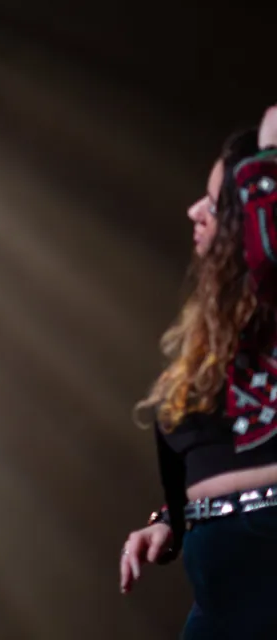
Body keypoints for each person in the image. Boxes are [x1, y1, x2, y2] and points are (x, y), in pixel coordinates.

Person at [119, 105, 277, 638]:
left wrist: (267, 151)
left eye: (213, 202)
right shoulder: (216, 333)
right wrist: (171, 518)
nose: (193, 211)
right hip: (218, 605)